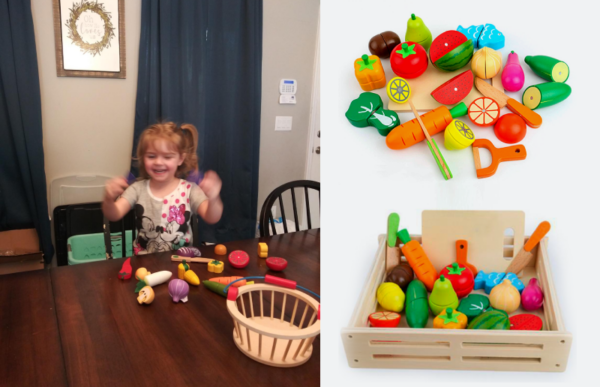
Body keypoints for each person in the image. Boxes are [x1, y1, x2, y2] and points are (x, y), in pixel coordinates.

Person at [103, 122, 223, 255]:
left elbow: (212, 218)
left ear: (180, 159)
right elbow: (113, 215)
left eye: (167, 157)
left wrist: (214, 197)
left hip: (181, 262)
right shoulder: (137, 188)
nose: (158, 162)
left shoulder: (190, 189)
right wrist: (108, 198)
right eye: (151, 156)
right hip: (143, 263)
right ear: (143, 158)